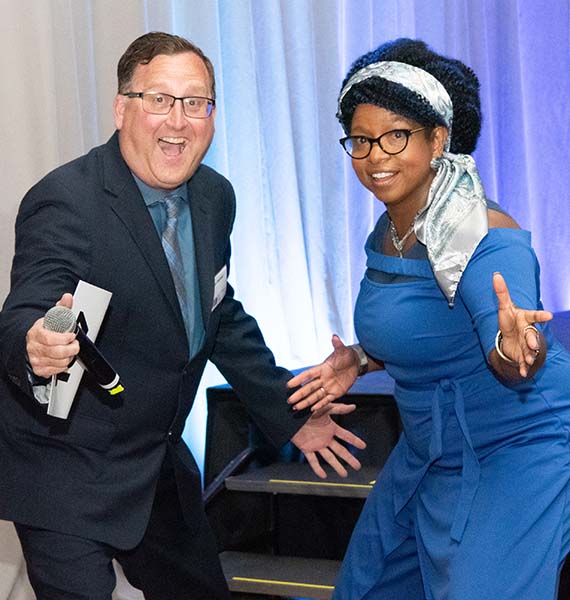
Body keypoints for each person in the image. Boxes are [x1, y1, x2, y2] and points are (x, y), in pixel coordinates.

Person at [0, 32, 365, 600]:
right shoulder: (67, 199)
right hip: (66, 467)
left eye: (196, 103)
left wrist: (287, 414)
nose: (179, 121)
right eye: (160, 100)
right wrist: (35, 343)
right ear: (123, 109)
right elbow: (29, 302)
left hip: (157, 464)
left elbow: (218, 314)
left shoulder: (215, 196)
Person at [287, 38, 570, 599]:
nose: (375, 156)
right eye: (361, 140)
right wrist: (362, 359)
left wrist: (517, 348)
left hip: (513, 446)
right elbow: (426, 326)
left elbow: (505, 337)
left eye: (396, 136)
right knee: (367, 587)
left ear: (439, 139)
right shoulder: (389, 229)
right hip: (428, 448)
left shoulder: (487, 235)